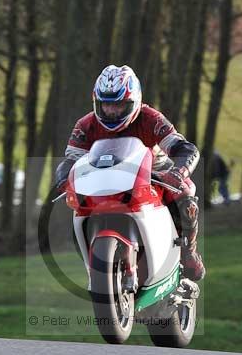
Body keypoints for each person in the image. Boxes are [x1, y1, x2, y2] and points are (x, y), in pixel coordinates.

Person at [54, 65, 205, 281]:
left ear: (134, 101)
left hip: (153, 176)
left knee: (186, 192)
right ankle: (94, 264)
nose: (112, 111)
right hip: (103, 181)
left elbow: (185, 148)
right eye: (106, 104)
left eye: (119, 104)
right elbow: (71, 160)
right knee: (77, 209)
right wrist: (64, 180)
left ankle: (188, 252)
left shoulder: (150, 118)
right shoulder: (85, 125)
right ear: (97, 102)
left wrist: (178, 171)